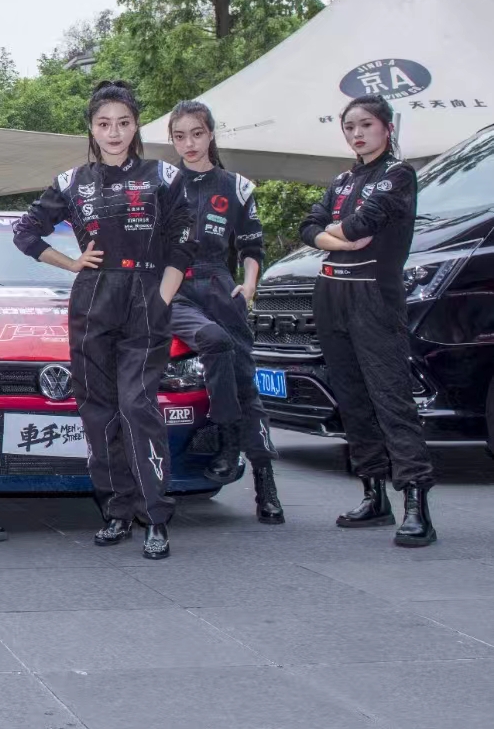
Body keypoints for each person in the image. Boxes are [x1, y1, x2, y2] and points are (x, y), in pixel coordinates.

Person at [13, 81, 195, 560]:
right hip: (92, 298)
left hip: (147, 296)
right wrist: (71, 263)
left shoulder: (165, 175)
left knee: (137, 404)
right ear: (91, 129)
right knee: (98, 408)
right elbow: (26, 232)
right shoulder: (71, 181)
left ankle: (155, 516)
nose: (114, 132)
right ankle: (116, 511)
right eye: (103, 123)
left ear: (136, 126)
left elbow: (185, 239)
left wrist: (163, 295)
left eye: (123, 123)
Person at [300, 95, 434, 547]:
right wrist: (335, 237)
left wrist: (332, 232)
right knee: (352, 400)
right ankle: (374, 496)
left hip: (374, 296)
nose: (357, 134)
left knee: (391, 398)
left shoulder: (399, 174)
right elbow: (309, 226)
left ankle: (416, 504)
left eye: (366, 125)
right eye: (350, 127)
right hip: (330, 296)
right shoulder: (342, 180)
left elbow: (362, 225)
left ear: (387, 128)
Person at [167, 101, 283, 524]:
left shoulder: (237, 186)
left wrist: (248, 286)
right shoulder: (162, 183)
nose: (189, 143)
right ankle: (225, 437)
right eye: (180, 136)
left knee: (244, 382)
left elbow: (252, 246)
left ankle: (265, 485)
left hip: (221, 285)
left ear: (211, 134)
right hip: (174, 287)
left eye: (197, 133)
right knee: (212, 342)